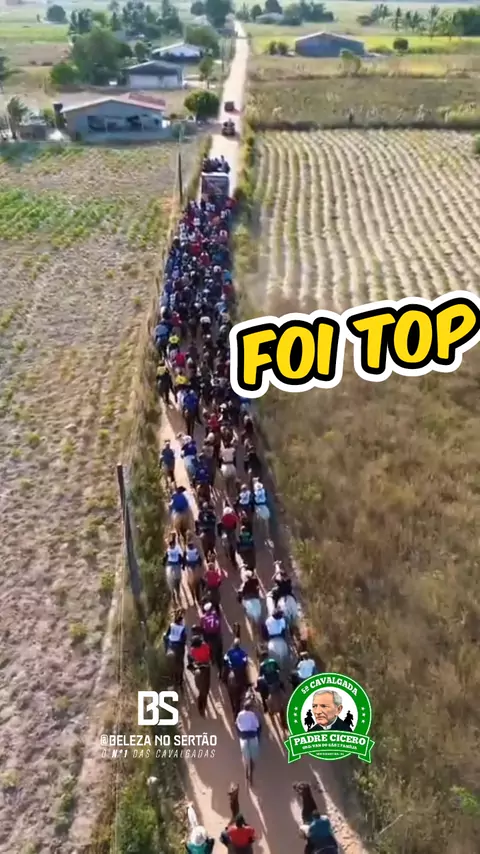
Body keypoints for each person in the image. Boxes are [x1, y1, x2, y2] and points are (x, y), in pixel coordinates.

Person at [200, 601, 223, 674]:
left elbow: (202, 627)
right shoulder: (215, 614)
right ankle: (220, 665)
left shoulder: (203, 617)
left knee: (209, 647)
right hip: (216, 634)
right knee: (219, 649)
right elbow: (218, 624)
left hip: (209, 636)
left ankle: (212, 659)